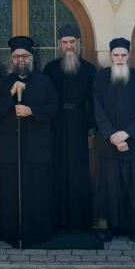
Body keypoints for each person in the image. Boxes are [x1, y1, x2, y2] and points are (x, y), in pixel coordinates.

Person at [0, 36, 58, 247]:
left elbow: (53, 108)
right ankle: (10, 232)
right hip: (10, 147)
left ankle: (38, 233)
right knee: (10, 191)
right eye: (16, 56)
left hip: (36, 147)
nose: (21, 59)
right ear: (11, 59)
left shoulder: (44, 81)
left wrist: (32, 111)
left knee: (37, 190)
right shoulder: (3, 83)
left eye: (25, 56)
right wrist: (10, 94)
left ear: (32, 58)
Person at [93, 38, 135, 243]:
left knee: (133, 187)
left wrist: (127, 134)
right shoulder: (100, 78)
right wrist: (112, 135)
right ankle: (112, 227)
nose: (119, 59)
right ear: (110, 56)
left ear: (129, 55)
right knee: (111, 187)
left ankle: (134, 228)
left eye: (123, 55)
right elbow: (97, 109)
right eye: (116, 55)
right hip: (110, 143)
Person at [42, 24, 96, 232]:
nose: (68, 46)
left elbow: (93, 101)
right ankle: (58, 220)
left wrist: (91, 129)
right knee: (57, 172)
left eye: (72, 42)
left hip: (80, 125)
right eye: (64, 42)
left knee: (78, 174)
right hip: (56, 126)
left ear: (79, 44)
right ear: (59, 45)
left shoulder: (90, 69)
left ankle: (79, 222)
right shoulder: (50, 68)